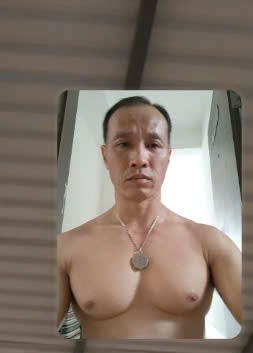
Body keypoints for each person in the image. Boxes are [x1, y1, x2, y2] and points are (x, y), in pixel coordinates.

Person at [57, 95, 242, 339]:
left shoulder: (210, 243)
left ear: (168, 156)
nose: (139, 160)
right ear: (105, 156)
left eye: (153, 145)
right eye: (123, 144)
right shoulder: (67, 247)